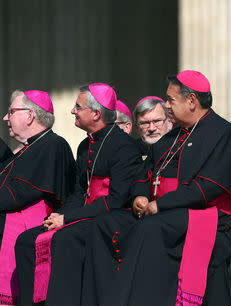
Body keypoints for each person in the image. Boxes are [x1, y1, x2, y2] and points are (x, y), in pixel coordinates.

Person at [81, 70, 231, 306]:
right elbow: (143, 175)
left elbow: (206, 189)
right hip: (163, 210)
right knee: (103, 224)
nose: (166, 105)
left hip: (205, 214)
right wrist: (140, 197)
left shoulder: (223, 134)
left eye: (171, 100)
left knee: (149, 229)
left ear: (192, 101)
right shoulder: (173, 135)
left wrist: (159, 205)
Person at [14, 83, 142, 306]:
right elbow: (79, 192)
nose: (73, 110)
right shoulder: (85, 145)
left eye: (78, 107)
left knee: (64, 240)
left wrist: (68, 218)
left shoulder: (124, 147)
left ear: (95, 113)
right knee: (26, 240)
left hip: (112, 218)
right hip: (85, 214)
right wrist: (58, 216)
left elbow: (116, 200)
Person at [0, 90, 76, 305]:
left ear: (30, 115)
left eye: (11, 112)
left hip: (31, 230)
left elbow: (19, 193)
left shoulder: (53, 146)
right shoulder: (29, 148)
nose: (6, 118)